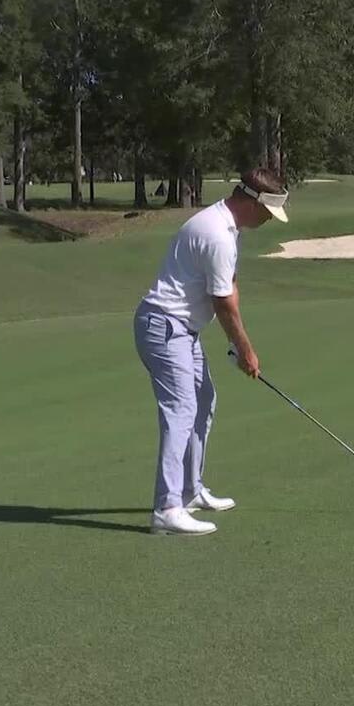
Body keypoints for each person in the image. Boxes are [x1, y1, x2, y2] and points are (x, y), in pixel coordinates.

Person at [133, 168, 289, 536]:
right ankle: (167, 508)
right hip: (164, 327)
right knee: (181, 410)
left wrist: (238, 343)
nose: (269, 220)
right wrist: (244, 349)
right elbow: (223, 304)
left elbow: (228, 287)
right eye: (267, 213)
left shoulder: (226, 226)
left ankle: (190, 490)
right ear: (252, 202)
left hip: (182, 330)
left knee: (203, 402)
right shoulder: (217, 234)